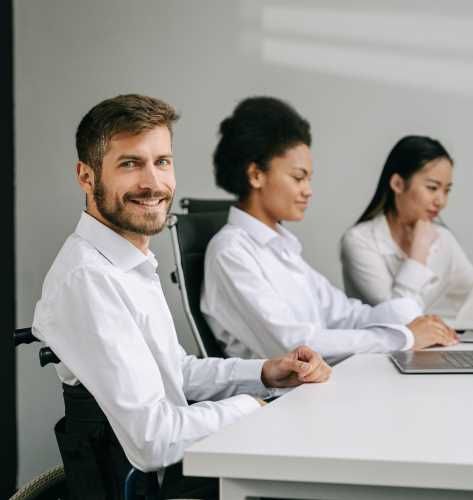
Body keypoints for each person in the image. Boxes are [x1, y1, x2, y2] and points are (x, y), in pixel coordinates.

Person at [32, 94, 332, 499]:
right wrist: (255, 408)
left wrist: (265, 374)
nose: (153, 183)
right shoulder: (89, 279)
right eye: (130, 164)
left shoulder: (129, 260)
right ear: (86, 177)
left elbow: (175, 371)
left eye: (162, 162)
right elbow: (153, 440)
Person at [201, 97, 458, 362]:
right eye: (298, 178)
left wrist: (415, 321)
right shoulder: (230, 252)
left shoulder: (282, 248)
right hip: (283, 398)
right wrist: (404, 337)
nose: (308, 191)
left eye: (309, 179)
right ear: (256, 175)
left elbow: (346, 314)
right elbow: (294, 346)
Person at [341, 135, 473, 322]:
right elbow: (399, 319)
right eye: (432, 187)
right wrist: (419, 253)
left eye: (446, 190)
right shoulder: (359, 240)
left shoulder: (443, 238)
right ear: (397, 184)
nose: (441, 201)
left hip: (428, 347)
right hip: (379, 350)